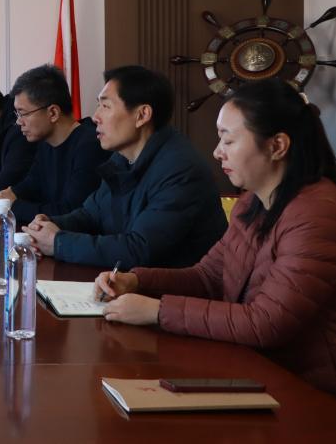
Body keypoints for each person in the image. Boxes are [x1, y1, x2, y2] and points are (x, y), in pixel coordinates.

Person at [94, 78, 336, 394]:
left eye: (228, 140)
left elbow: (266, 323)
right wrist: (136, 281)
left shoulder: (317, 212)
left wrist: (157, 311)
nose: (217, 152)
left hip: (306, 391)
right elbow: (208, 277)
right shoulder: (252, 202)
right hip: (252, 368)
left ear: (277, 146)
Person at [24, 65, 225, 268]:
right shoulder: (123, 157)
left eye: (106, 106)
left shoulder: (180, 170)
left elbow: (139, 249)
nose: (95, 117)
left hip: (171, 286)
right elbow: (91, 215)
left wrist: (58, 243)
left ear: (142, 115)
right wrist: (50, 224)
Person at [0, 64, 110, 224]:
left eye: (23, 113)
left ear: (53, 113)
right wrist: (10, 193)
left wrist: (12, 207)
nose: (18, 122)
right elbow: (33, 184)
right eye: (17, 114)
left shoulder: (90, 146)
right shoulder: (46, 143)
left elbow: (71, 211)